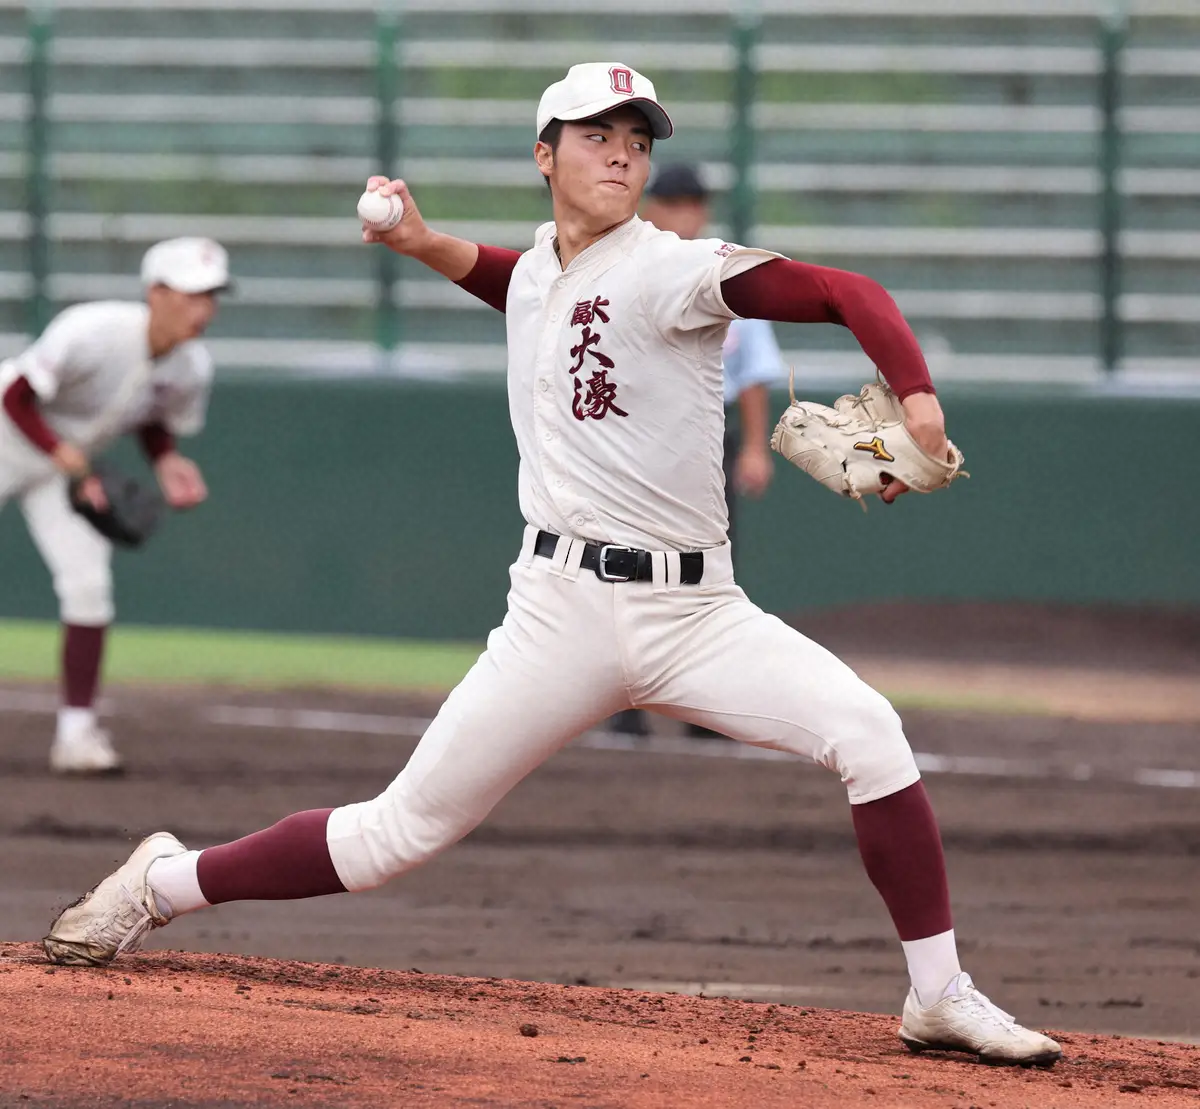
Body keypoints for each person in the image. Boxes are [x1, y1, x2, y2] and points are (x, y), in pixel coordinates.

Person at [44, 64, 1059, 1067]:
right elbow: (514, 278)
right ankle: (162, 882)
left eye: (637, 138)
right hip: (557, 615)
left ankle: (938, 993)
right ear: (545, 156)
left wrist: (915, 393)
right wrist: (418, 239)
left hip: (697, 612)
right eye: (595, 133)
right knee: (390, 836)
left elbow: (845, 290)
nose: (622, 150)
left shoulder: (671, 267)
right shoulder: (539, 267)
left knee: (871, 734)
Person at [0, 238, 227, 773]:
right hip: (11, 438)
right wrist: (63, 454)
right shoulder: (94, 329)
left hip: (62, 469)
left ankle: (77, 736)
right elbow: (16, 397)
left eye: (212, 295)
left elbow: (151, 413)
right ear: (156, 293)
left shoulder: (192, 366)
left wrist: (166, 460)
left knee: (88, 587)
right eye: (192, 294)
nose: (204, 308)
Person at [614, 162, 783, 737]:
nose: (686, 214)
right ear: (651, 207)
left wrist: (756, 447)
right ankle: (622, 705)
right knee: (625, 565)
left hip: (712, 436)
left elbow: (755, 370)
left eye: (695, 203)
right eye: (675, 202)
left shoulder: (724, 269)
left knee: (707, 574)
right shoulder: (626, 265)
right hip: (637, 437)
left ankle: (706, 711)